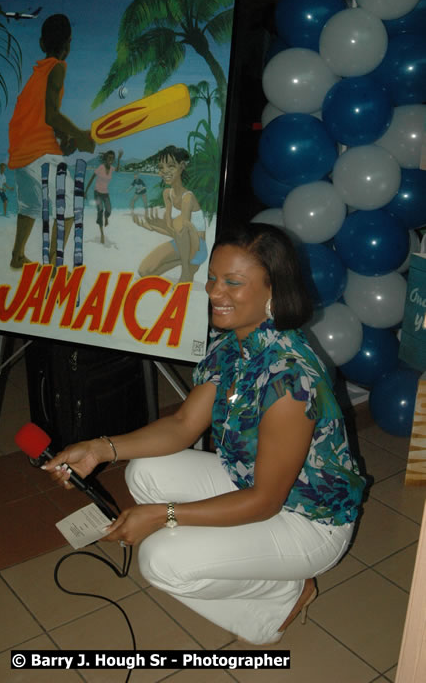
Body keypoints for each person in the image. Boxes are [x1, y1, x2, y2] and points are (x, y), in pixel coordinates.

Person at [43, 222, 366, 645]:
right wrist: (100, 449)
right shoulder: (235, 345)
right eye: (212, 278)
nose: (215, 293)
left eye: (233, 283)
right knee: (143, 472)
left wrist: (163, 515)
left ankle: (284, 593)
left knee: (160, 560)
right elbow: (181, 426)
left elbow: (265, 502)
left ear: (274, 291)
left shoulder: (290, 380)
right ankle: (234, 555)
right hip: (256, 486)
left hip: (309, 521)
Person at [8, 13, 96, 269]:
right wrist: (80, 135)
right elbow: (51, 114)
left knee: (30, 205)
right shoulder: (58, 67)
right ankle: (55, 270)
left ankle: (16, 255)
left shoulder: (37, 75)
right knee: (70, 206)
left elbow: (41, 118)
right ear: (68, 44)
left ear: (41, 43)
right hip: (37, 150)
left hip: (20, 150)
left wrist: (66, 140)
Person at [134, 146, 207, 283]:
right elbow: (174, 232)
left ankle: (186, 271)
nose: (165, 171)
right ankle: (181, 262)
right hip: (181, 246)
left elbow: (183, 229)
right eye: (161, 167)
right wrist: (153, 227)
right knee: (144, 271)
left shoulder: (188, 197)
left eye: (171, 166)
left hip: (197, 248)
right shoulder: (167, 194)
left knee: (180, 222)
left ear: (182, 166)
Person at [85, 149, 123, 244]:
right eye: (109, 158)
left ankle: (106, 218)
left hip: (105, 193)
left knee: (109, 210)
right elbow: (91, 179)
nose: (111, 160)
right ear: (106, 158)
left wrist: (118, 159)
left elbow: (118, 170)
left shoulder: (111, 168)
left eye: (112, 158)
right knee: (100, 210)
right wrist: (85, 191)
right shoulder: (101, 167)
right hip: (97, 192)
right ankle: (102, 234)